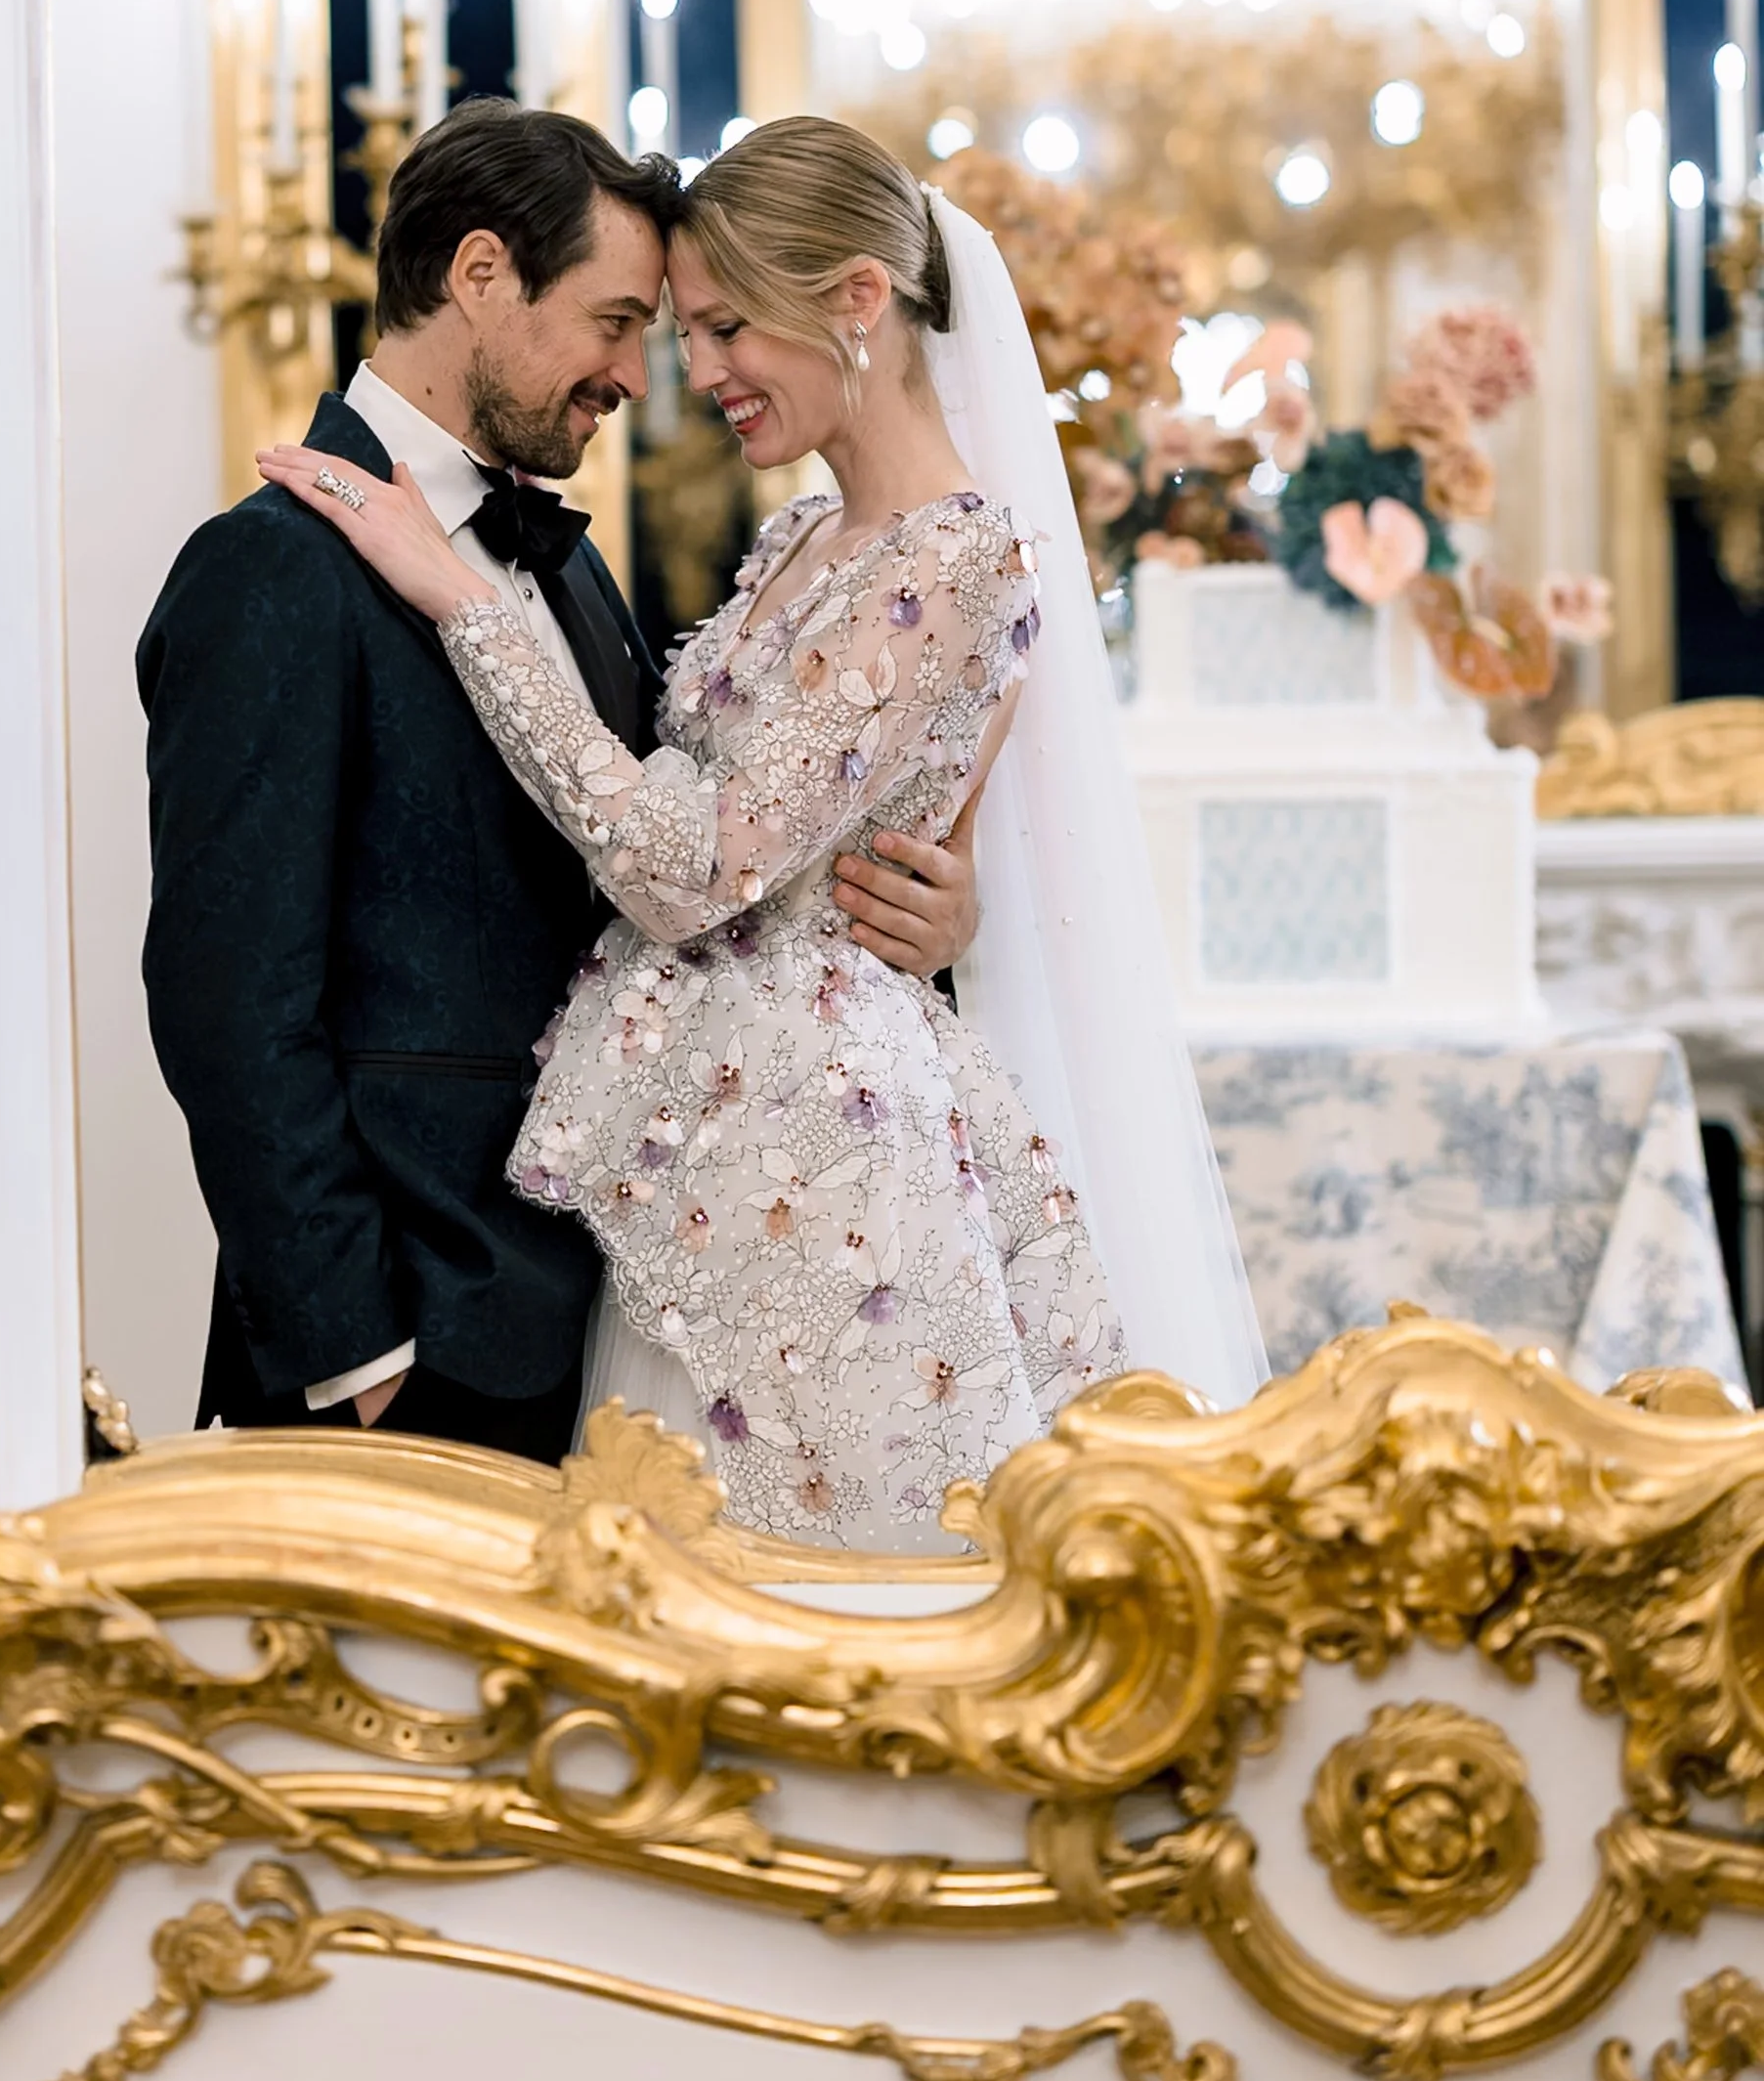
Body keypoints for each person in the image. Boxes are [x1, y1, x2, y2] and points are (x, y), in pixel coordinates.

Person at [259, 114, 1267, 1547]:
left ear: (858, 299)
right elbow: (750, 803)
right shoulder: (798, 535)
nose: (698, 374)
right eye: (679, 329)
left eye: (726, 327)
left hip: (824, 1163)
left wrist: (464, 598)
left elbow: (693, 863)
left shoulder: (967, 554)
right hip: (690, 1137)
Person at [139, 100, 982, 1463]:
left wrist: (926, 909)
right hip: (403, 1349)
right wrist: (357, 1347)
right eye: (615, 321)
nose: (638, 377)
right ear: (480, 276)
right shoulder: (271, 567)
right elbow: (227, 997)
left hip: (604, 1314)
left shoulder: (573, 563)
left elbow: (693, 841)